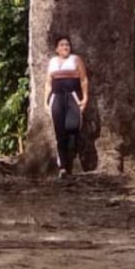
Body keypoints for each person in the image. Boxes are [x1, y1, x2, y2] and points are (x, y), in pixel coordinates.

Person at [44, 36, 89, 178]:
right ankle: (63, 166)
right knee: (60, 132)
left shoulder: (76, 60)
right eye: (62, 45)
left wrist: (85, 98)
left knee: (73, 126)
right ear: (57, 49)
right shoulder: (52, 62)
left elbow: (83, 79)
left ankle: (71, 158)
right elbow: (48, 83)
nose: (65, 47)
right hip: (57, 98)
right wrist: (45, 101)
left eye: (67, 45)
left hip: (72, 97)